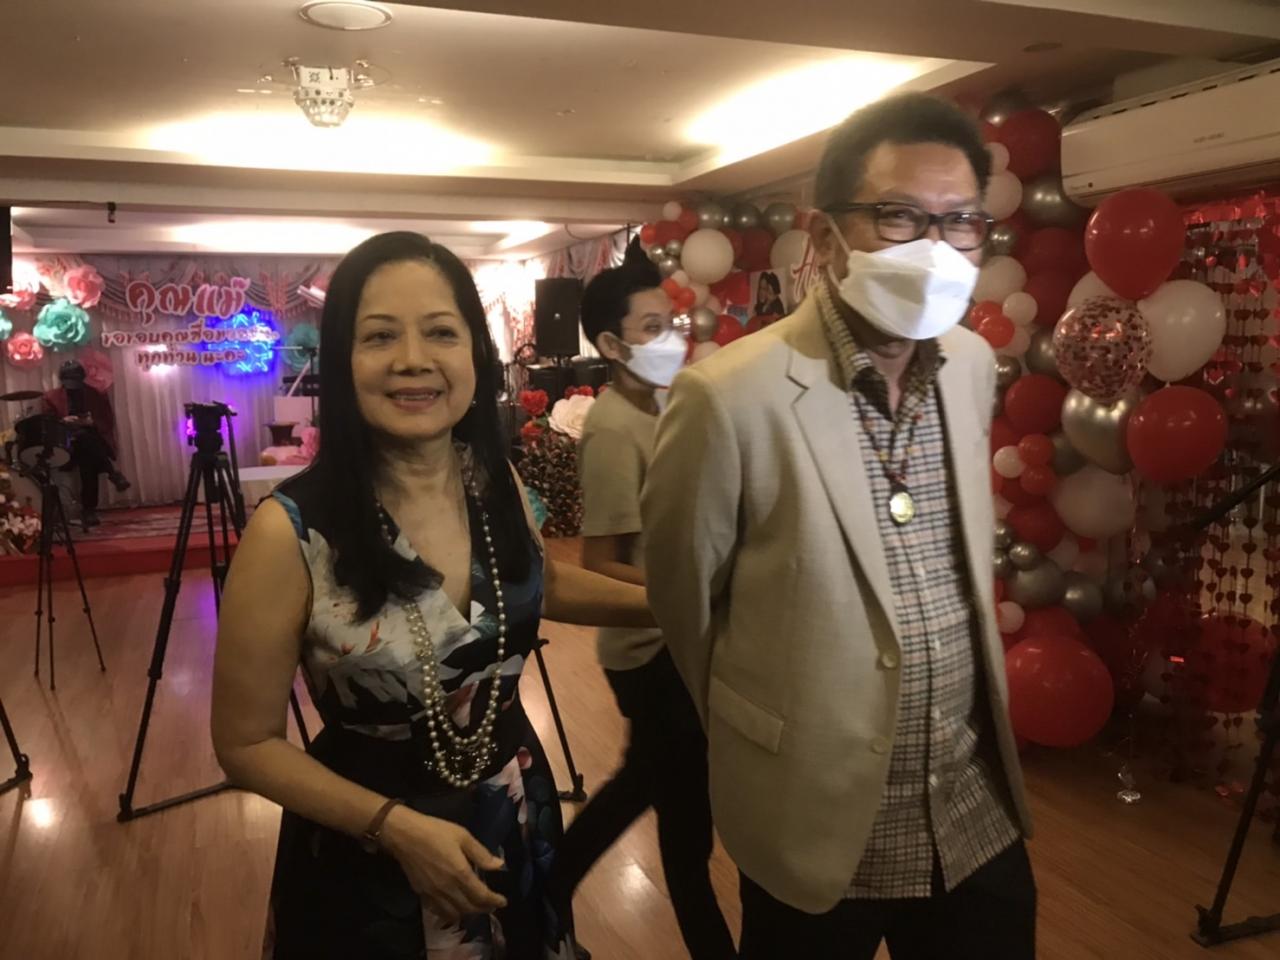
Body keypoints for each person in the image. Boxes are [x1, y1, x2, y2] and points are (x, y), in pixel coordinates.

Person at [642, 93, 1036, 960]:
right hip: (815, 825)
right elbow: (686, 605)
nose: (935, 249)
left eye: (961, 221)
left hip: (972, 812)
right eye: (899, 216)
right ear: (824, 237)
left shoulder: (972, 364)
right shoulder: (730, 396)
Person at [211, 232, 655, 960]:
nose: (413, 359)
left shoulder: (494, 479)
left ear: (475, 353)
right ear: (342, 361)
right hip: (369, 841)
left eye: (441, 332)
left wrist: (673, 605)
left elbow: (535, 583)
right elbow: (245, 744)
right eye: (380, 335)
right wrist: (394, 828)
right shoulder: (289, 531)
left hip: (511, 805)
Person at [548, 239, 735, 960]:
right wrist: (689, 598)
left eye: (671, 323)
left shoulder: (667, 406)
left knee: (648, 789)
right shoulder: (612, 429)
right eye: (651, 327)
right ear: (610, 345)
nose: (671, 338)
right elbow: (601, 564)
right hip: (649, 652)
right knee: (684, 833)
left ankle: (543, 895)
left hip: (682, 645)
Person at [42, 360, 130, 528]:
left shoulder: (94, 394)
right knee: (88, 447)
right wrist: (63, 421)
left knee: (87, 453)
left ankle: (90, 509)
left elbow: (107, 421)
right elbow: (47, 423)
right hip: (65, 444)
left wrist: (92, 422)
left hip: (89, 443)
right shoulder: (51, 397)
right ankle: (111, 475)